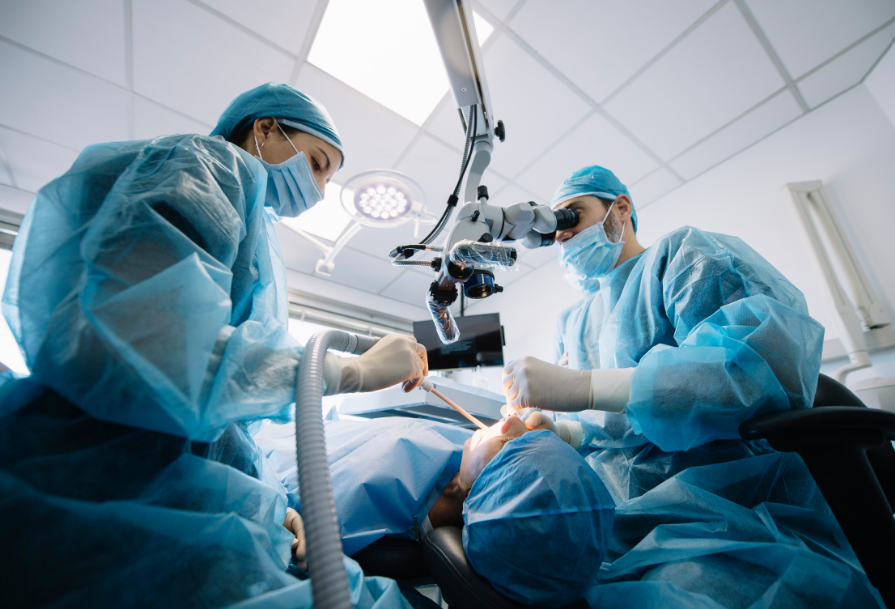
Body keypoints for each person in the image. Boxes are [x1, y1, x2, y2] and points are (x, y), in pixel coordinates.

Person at [0, 83, 429, 609]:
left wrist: (277, 504)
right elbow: (151, 344)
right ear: (265, 128)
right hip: (100, 478)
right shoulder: (209, 167)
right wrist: (349, 371)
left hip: (166, 479)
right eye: (317, 163)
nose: (319, 189)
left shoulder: (255, 228)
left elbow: (222, 415)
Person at [502, 165, 885, 608]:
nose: (560, 235)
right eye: (552, 230)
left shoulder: (685, 255)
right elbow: (609, 425)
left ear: (620, 208)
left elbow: (755, 367)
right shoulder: (574, 322)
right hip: (618, 516)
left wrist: (586, 385)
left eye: (571, 215)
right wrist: (563, 431)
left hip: (726, 507)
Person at [254, 413, 615, 608]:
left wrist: (274, 511)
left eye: (510, 443)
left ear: (485, 496)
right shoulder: (462, 457)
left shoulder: (358, 514)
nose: (511, 421)